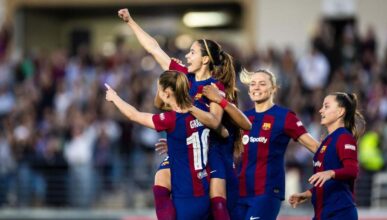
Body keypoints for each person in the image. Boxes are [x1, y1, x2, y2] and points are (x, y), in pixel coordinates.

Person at [118, 8, 251, 220]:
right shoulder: (183, 78)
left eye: (192, 52)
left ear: (205, 59)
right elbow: (154, 49)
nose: (187, 56)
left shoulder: (214, 87)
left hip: (214, 152)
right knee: (161, 179)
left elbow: (218, 124)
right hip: (190, 151)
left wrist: (190, 110)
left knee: (217, 206)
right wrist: (131, 22)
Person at [105, 70, 212, 220]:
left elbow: (134, 115)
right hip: (206, 192)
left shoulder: (170, 119)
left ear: (167, 93)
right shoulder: (202, 108)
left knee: (161, 177)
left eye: (159, 89)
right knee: (163, 171)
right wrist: (176, 145)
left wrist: (114, 98)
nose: (157, 92)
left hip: (186, 198)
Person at [235, 69, 319, 220]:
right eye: (253, 84)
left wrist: (337, 156)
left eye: (262, 84)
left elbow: (314, 147)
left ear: (273, 89)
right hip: (239, 192)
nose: (256, 87)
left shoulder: (285, 117)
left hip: (266, 193)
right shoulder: (243, 117)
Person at [289, 92, 365, 220]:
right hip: (322, 214)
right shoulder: (327, 141)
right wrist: (308, 194)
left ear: (340, 111)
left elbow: (352, 170)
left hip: (340, 213)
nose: (320, 110)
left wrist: (330, 173)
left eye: (326, 106)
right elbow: (328, 183)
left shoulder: (344, 137)